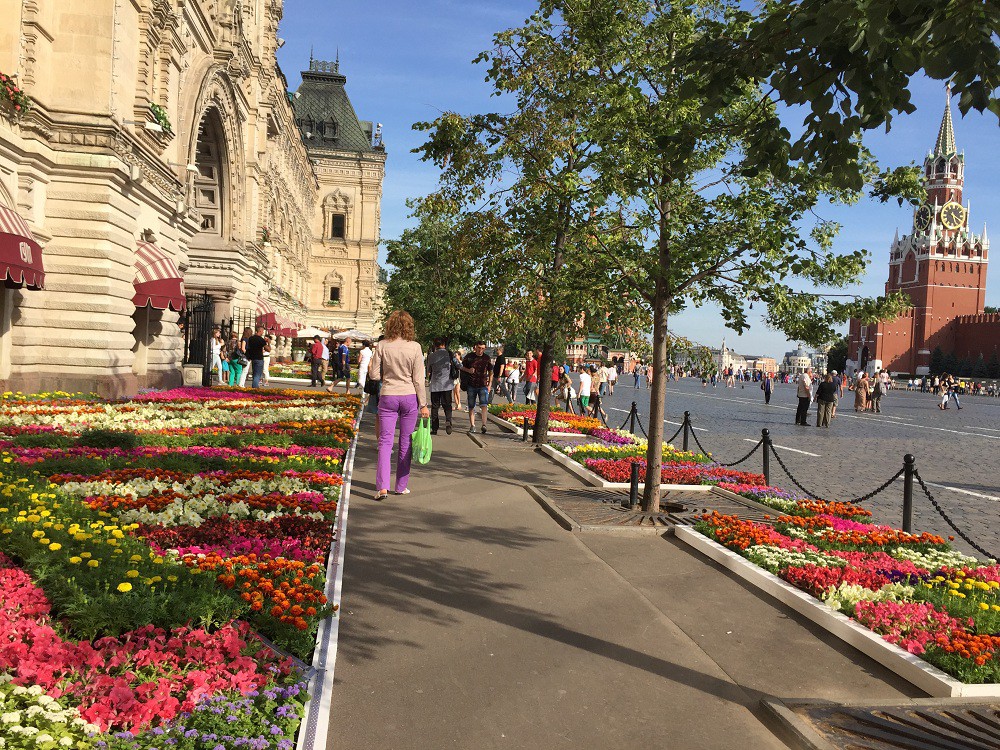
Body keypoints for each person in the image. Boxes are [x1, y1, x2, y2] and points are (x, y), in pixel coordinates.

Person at [368, 311, 429, 501]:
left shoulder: (383, 345)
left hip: (388, 395)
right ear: (409, 326)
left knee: (385, 442)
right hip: (409, 396)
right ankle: (401, 486)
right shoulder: (415, 347)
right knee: (406, 441)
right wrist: (424, 405)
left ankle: (382, 488)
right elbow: (419, 380)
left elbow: (374, 376)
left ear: (390, 326)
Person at [462, 341, 493, 434]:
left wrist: (489, 384)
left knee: (484, 405)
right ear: (475, 347)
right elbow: (461, 367)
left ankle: (484, 425)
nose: (480, 350)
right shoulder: (469, 357)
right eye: (479, 348)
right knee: (471, 406)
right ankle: (472, 425)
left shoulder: (486, 358)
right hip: (471, 384)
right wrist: (468, 370)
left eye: (483, 348)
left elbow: (491, 371)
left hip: (483, 384)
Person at [426, 338, 454, 435]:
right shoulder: (449, 354)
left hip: (435, 385)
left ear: (435, 345)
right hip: (447, 385)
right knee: (447, 405)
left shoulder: (431, 356)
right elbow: (458, 365)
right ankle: (448, 421)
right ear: (443, 344)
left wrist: (427, 379)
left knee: (435, 407)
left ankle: (434, 428)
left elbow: (428, 370)